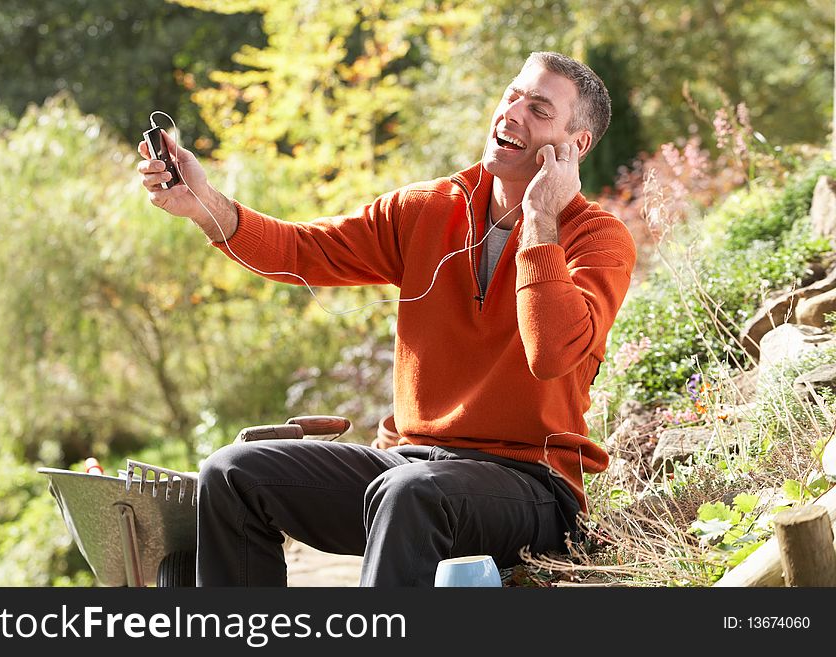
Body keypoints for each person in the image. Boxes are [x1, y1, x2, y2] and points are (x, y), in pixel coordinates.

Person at [138, 51, 636, 586]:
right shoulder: (426, 208)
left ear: (576, 145)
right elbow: (304, 251)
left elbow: (551, 353)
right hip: (407, 468)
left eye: (540, 109)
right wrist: (203, 202)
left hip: (531, 489)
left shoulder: (599, 239)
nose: (512, 114)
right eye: (513, 95)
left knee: (413, 492)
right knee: (231, 472)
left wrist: (541, 219)